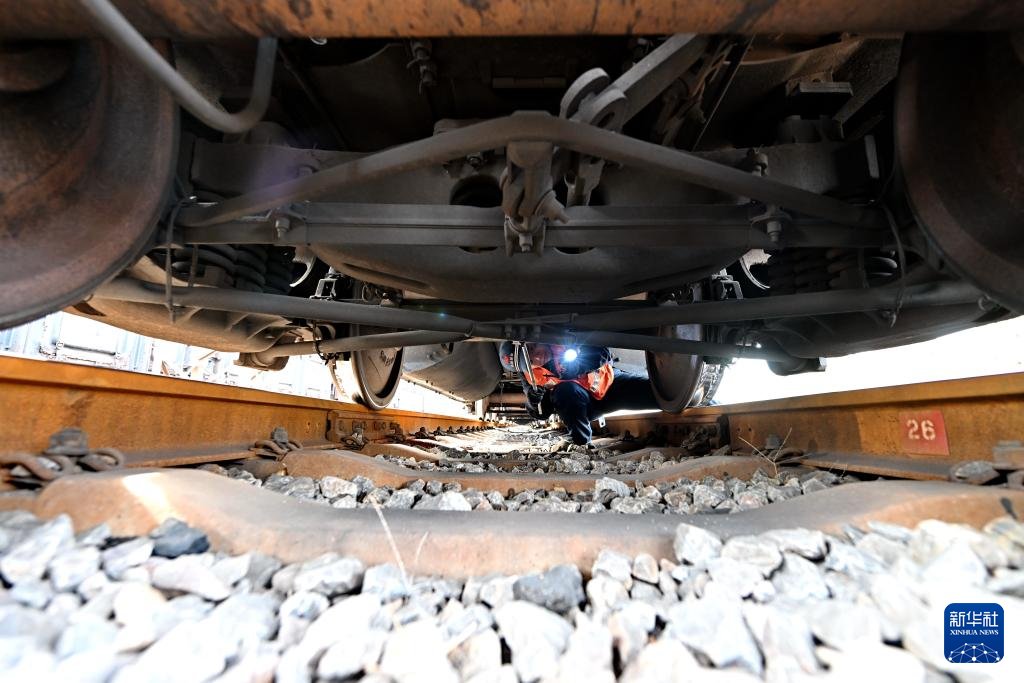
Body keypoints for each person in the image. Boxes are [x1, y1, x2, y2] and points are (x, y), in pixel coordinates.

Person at [499, 341, 658, 447]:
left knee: (660, 395)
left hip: (609, 384)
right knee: (565, 390)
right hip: (583, 405)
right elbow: (541, 413)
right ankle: (581, 444)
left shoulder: (562, 337)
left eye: (533, 348)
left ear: (533, 339)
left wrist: (578, 367)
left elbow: (602, 351)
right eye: (530, 361)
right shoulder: (530, 377)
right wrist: (534, 402)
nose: (538, 356)